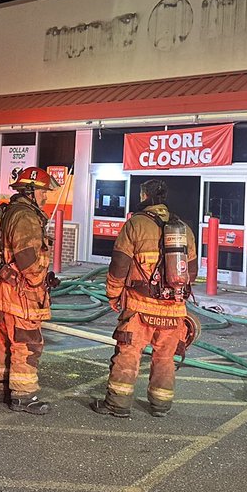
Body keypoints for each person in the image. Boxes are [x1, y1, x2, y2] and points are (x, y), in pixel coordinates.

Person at [92, 179, 198, 418]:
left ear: (144, 196)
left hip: (140, 307)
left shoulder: (136, 225)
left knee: (129, 354)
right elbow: (191, 273)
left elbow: (119, 265)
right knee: (165, 357)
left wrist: (113, 293)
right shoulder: (183, 229)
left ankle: (117, 404)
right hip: (174, 310)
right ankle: (161, 405)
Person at [0, 166, 60, 414]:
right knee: (26, 344)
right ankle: (23, 395)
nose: (45, 197)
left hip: (4, 292)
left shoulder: (11, 212)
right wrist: (39, 280)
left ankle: (3, 389)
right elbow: (29, 262)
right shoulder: (27, 217)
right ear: (30, 191)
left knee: (4, 342)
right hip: (21, 294)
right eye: (43, 192)